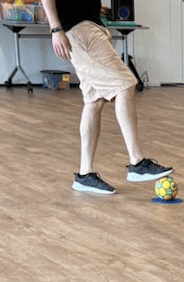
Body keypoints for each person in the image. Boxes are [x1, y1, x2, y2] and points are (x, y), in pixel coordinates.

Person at [42, 0, 174, 195]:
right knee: (125, 84)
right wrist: (55, 29)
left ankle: (85, 174)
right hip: (81, 30)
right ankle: (137, 162)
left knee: (94, 101)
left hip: (90, 28)